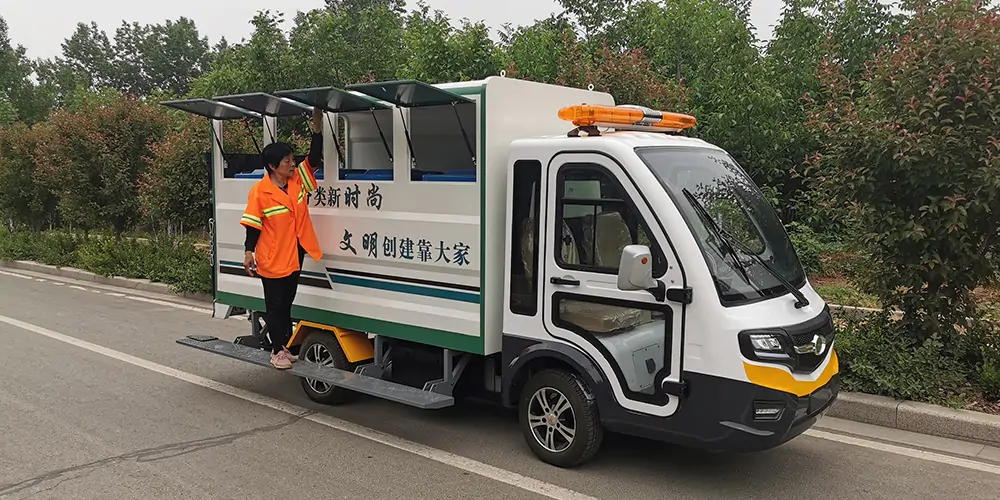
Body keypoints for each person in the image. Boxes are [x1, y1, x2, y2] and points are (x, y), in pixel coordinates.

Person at [241, 108, 325, 369]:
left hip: (294, 253)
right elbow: (253, 226)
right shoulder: (260, 192)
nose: (292, 163)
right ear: (273, 166)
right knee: (275, 306)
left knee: (287, 302)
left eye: (291, 159)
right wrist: (248, 252)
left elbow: (314, 160)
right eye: (287, 160)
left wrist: (317, 128)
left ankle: (283, 348)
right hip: (272, 256)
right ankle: (277, 351)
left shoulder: (297, 180)